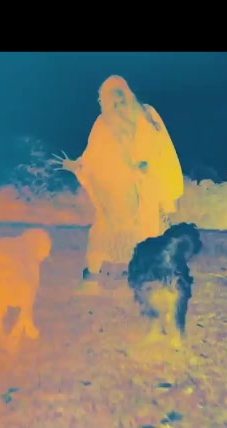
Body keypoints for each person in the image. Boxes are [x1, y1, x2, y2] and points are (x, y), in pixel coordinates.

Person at [60, 75, 184, 293]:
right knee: (104, 230)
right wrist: (78, 165)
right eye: (111, 100)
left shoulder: (148, 114)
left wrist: (150, 167)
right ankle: (91, 279)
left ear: (127, 94)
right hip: (117, 188)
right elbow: (93, 156)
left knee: (145, 233)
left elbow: (163, 148)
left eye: (120, 97)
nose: (117, 103)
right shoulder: (104, 123)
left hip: (146, 187)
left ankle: (139, 278)